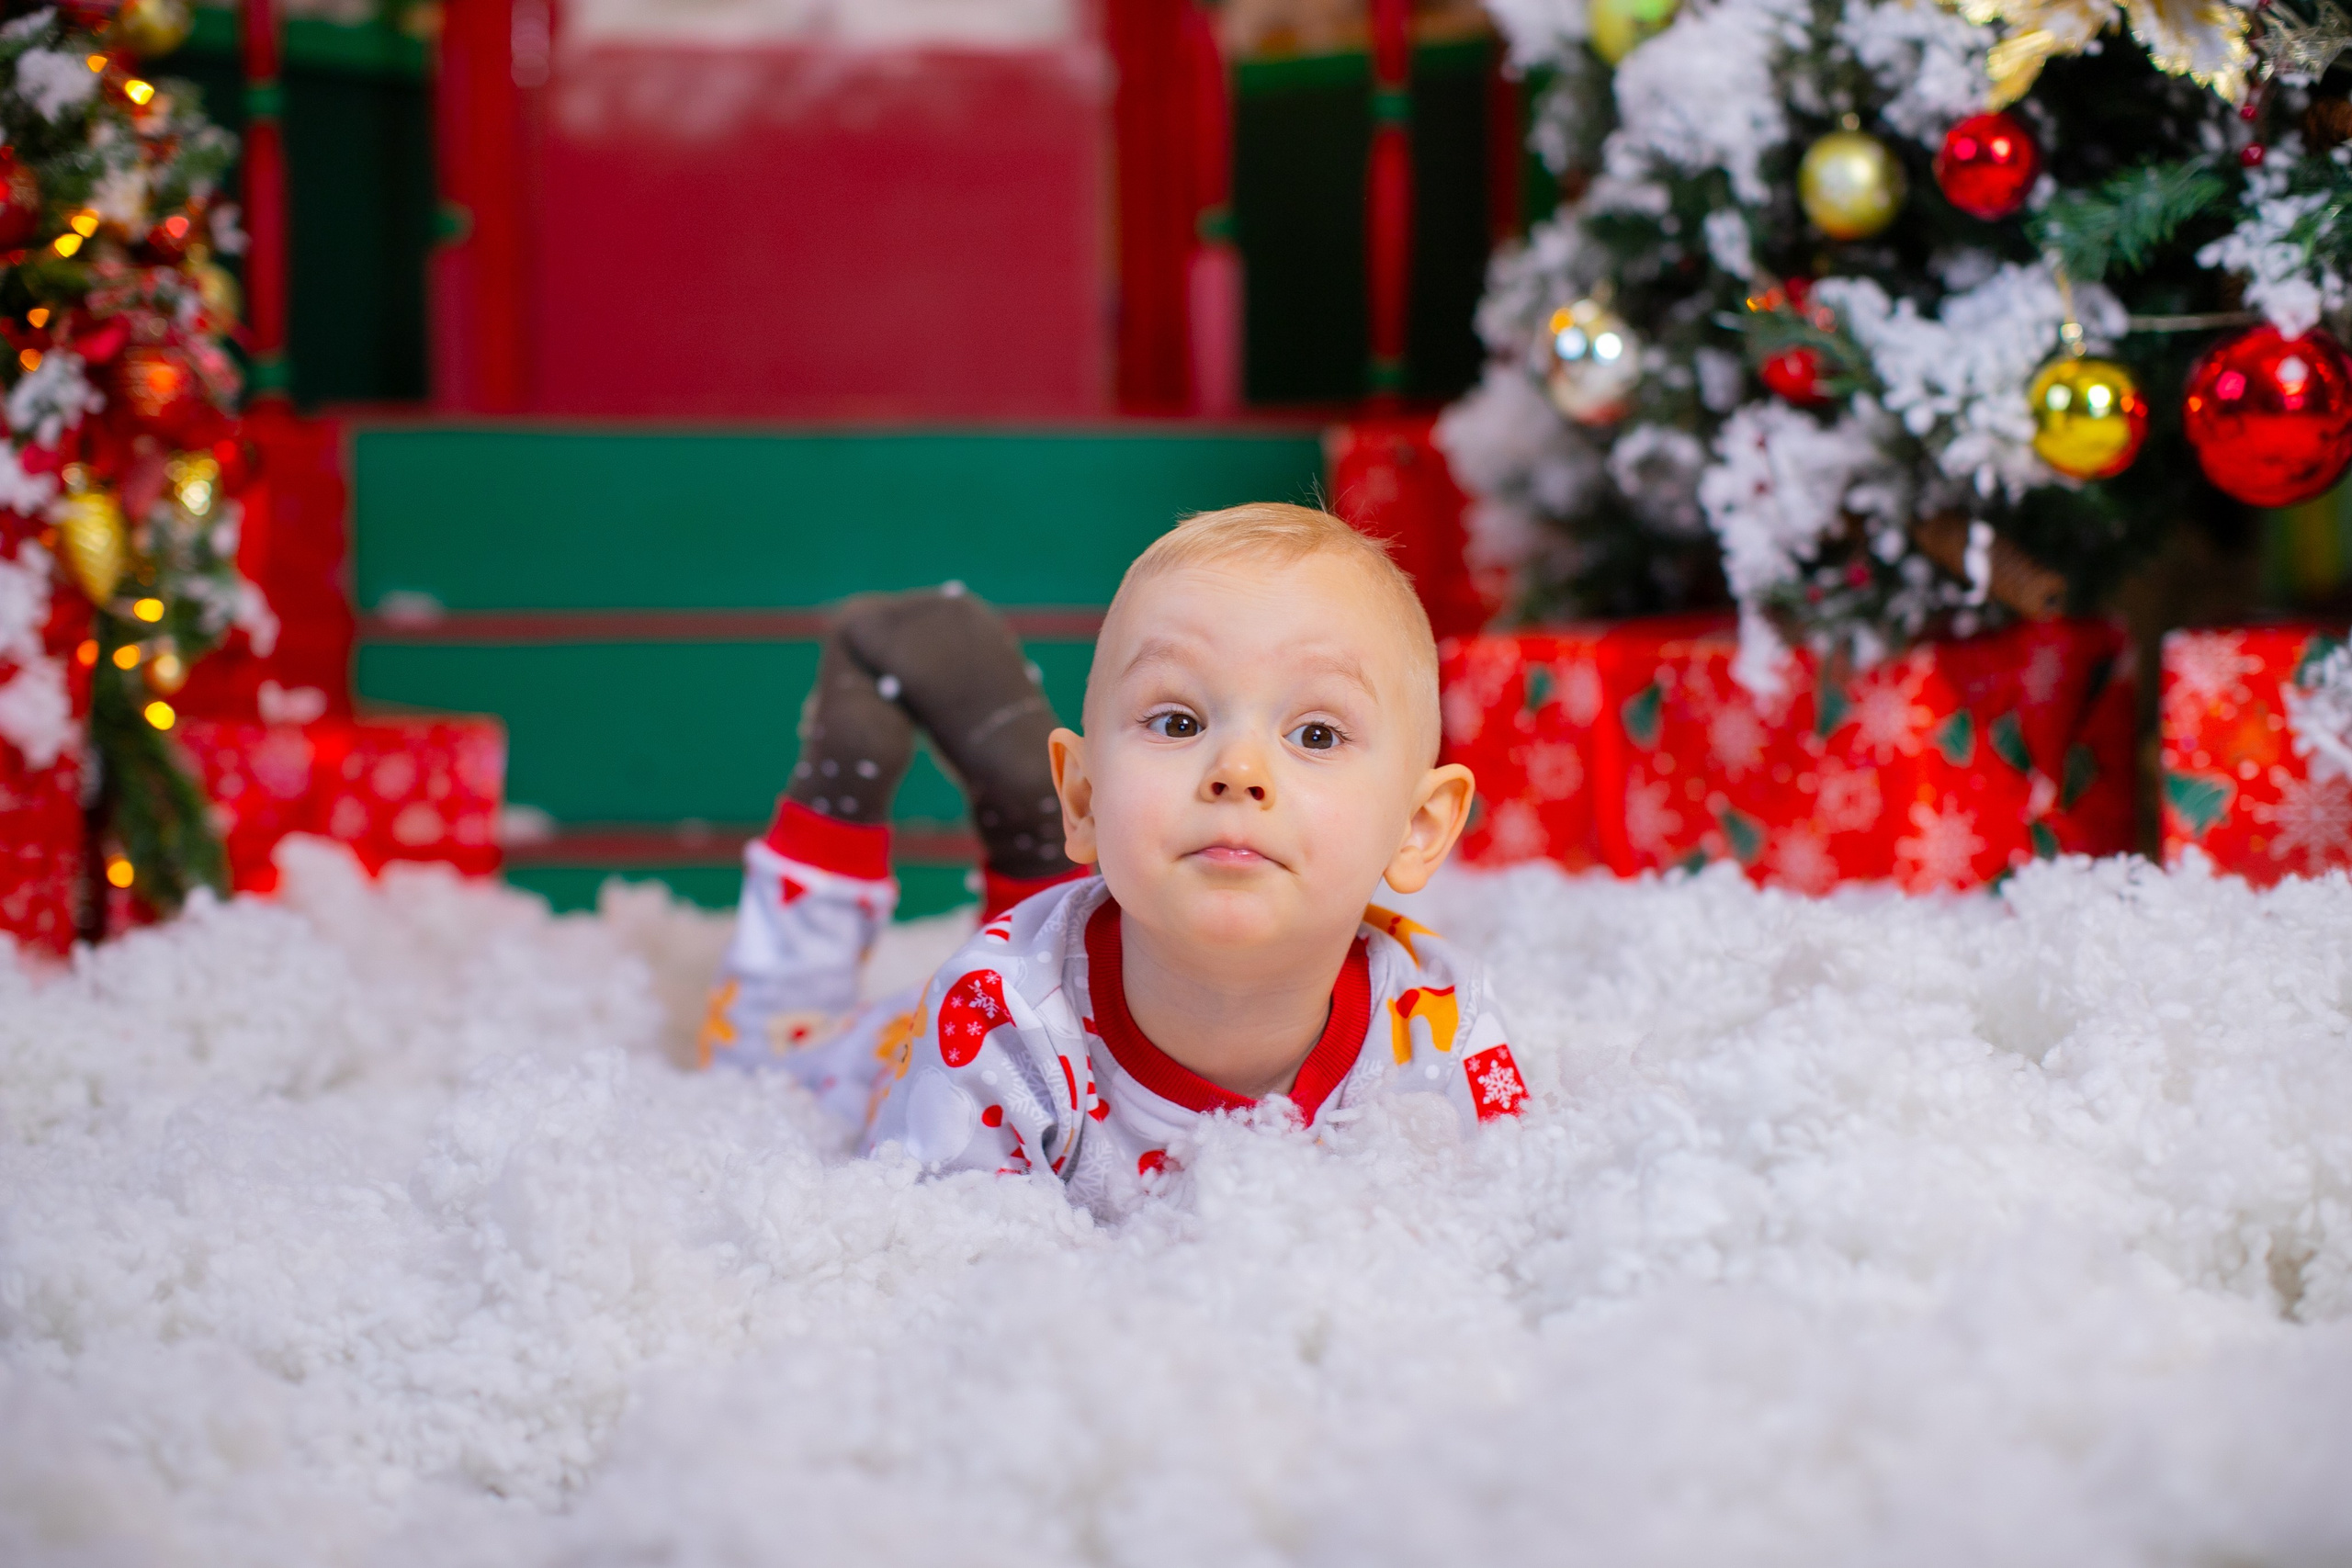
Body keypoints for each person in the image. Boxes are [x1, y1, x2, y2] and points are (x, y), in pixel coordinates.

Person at [700, 503, 1527, 1210]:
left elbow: (1509, 1211)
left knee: (1086, 905)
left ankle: (1032, 848)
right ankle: (835, 795)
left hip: (1063, 945)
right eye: (1178, 722)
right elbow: (927, 1254)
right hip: (901, 1050)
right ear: (1087, 799)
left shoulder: (1439, 1026)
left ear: (1418, 828)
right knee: (758, 1057)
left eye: (1316, 733)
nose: (1238, 771)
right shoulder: (995, 1023)